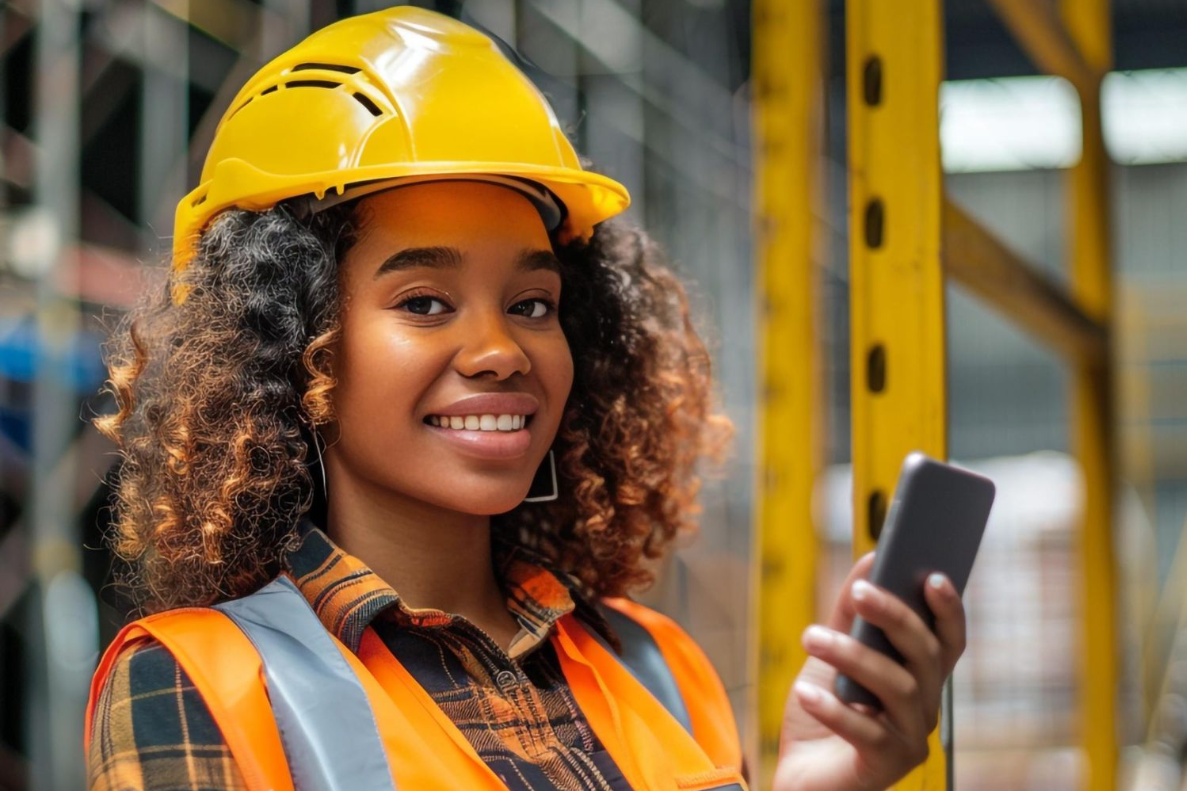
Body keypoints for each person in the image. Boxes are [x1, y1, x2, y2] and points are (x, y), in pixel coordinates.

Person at [84, 7, 967, 791]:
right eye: (424, 302)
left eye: (532, 305)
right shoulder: (195, 682)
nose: (502, 351)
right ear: (292, 343)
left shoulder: (658, 667)